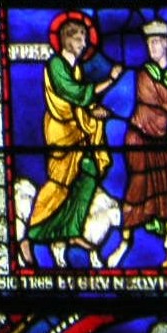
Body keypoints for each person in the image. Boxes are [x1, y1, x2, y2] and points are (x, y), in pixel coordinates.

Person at [25, 15, 124, 266]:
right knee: (58, 184)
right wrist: (110, 80)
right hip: (62, 133)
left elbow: (82, 102)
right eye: (79, 38)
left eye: (85, 38)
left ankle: (72, 231)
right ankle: (31, 232)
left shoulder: (76, 68)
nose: (84, 43)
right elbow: (75, 94)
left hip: (80, 132)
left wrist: (95, 111)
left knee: (88, 174)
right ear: (66, 41)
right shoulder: (56, 66)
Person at [112, 19, 167, 265]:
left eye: (156, 42)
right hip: (140, 138)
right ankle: (124, 241)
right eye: (149, 42)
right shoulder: (144, 75)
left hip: (162, 141)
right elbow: (158, 101)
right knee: (137, 188)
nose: (151, 47)